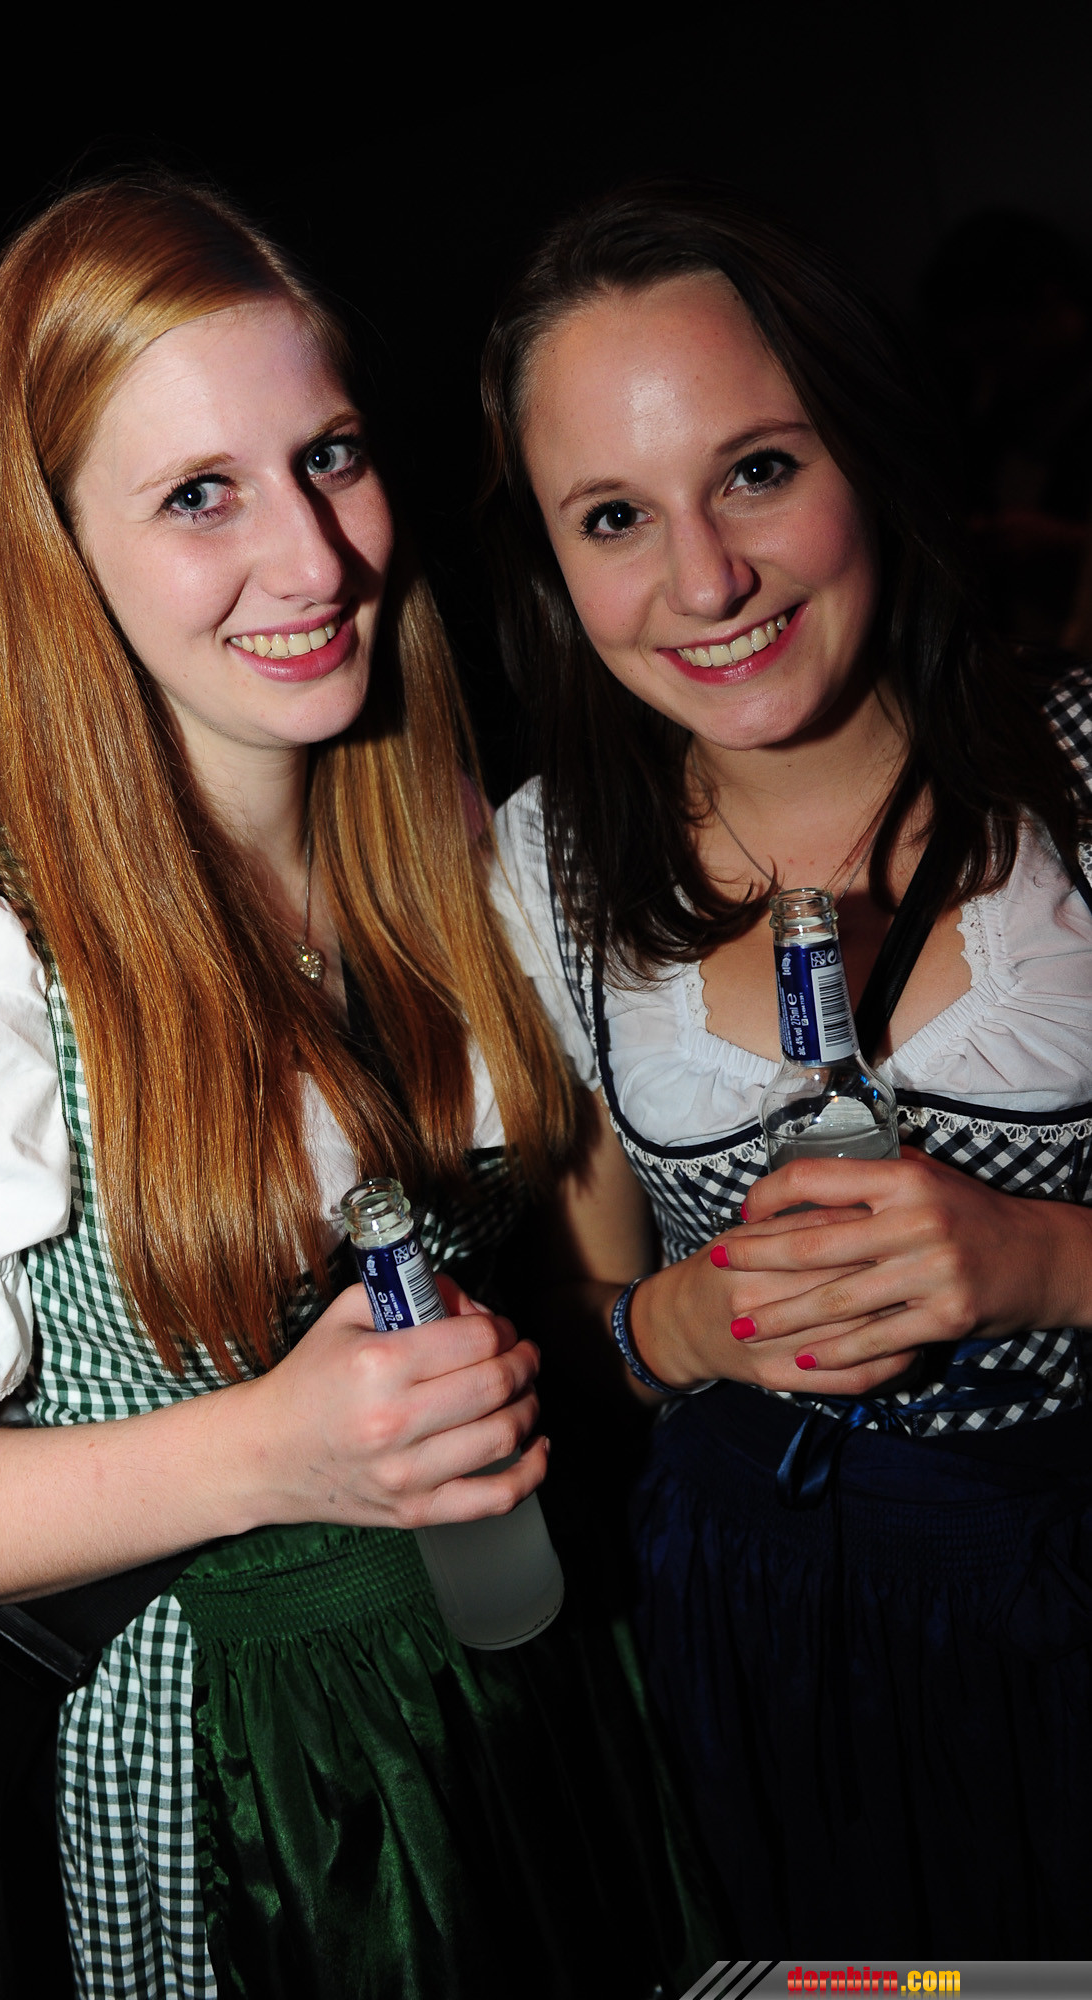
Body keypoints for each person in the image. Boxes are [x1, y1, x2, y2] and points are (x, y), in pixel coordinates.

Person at [0, 178, 711, 2000]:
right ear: (59, 553)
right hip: (256, 1803)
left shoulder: (439, 858)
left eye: (328, 457)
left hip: (537, 1704)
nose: (316, 557)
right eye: (199, 494)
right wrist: (270, 1450)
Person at [481, 180, 1092, 1958]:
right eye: (614, 514)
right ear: (550, 561)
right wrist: (673, 1328)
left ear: (868, 449)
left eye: (756, 469)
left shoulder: (1076, 778)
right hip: (761, 1641)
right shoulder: (542, 867)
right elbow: (567, 1313)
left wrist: (1052, 1262)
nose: (706, 580)